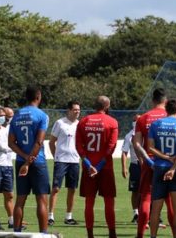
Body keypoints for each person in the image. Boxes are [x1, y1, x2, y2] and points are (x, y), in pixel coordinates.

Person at [134, 88, 175, 238]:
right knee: (169, 201)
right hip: (167, 163)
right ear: (166, 101)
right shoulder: (172, 117)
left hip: (149, 162)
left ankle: (140, 234)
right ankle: (175, 234)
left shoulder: (143, 118)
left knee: (145, 198)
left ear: (153, 101)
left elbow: (136, 143)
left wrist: (145, 159)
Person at [76, 95, 119, 238]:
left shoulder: (83, 121)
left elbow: (79, 146)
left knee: (89, 203)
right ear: (107, 106)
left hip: (89, 169)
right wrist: (99, 166)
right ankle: (112, 233)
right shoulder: (112, 122)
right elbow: (111, 147)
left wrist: (89, 165)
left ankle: (90, 234)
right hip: (105, 168)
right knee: (109, 202)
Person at [9, 87, 51, 233]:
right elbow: (39, 142)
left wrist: (25, 158)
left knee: (20, 200)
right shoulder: (42, 115)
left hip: (21, 161)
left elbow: (11, 142)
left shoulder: (17, 115)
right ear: (38, 96)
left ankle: (17, 233)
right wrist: (30, 161)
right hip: (37, 161)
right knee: (41, 199)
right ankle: (43, 234)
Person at [147, 98, 176, 238]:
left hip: (159, 167)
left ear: (166, 110)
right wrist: (173, 167)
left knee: (156, 209)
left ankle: (153, 236)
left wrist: (165, 157)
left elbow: (150, 147)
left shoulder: (155, 125)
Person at [49, 100, 81, 226]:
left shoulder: (80, 124)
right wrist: (56, 156)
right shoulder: (60, 123)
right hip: (61, 160)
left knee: (72, 189)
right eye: (75, 109)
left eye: (78, 110)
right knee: (56, 188)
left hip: (74, 160)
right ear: (68, 110)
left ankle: (69, 217)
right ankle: (50, 216)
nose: (77, 112)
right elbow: (52, 142)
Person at [122, 114, 142, 222]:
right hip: (135, 165)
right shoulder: (129, 136)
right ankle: (136, 214)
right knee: (135, 190)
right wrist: (124, 167)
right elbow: (124, 152)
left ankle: (150, 213)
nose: (137, 122)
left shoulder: (146, 133)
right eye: (135, 120)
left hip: (146, 165)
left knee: (148, 190)